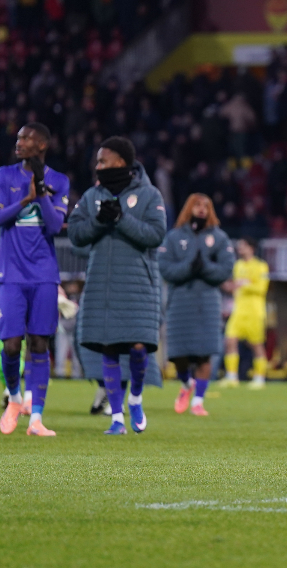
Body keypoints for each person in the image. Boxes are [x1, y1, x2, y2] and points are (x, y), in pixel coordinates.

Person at [68, 136, 166, 435]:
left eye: (103, 161)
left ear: (121, 162)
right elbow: (75, 235)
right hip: (103, 285)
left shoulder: (150, 195)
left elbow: (156, 235)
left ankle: (135, 398)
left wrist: (121, 218)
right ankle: (117, 418)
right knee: (108, 349)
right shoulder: (90, 196)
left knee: (138, 348)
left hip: (138, 286)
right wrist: (99, 221)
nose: (98, 166)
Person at [0, 123, 69, 437]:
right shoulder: (4, 175)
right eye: (19, 137)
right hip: (11, 273)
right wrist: (24, 201)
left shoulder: (59, 181)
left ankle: (36, 418)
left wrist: (40, 194)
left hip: (44, 274)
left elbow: (53, 226)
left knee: (39, 343)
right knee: (10, 345)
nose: (19, 142)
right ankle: (14, 398)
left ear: (43, 145)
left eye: (27, 138)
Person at [160, 193, 235, 416]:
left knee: (205, 353)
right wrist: (188, 268)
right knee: (178, 356)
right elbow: (165, 268)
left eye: (206, 206)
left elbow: (225, 270)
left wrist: (205, 268)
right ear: (188, 208)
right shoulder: (173, 237)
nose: (201, 209)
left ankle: (198, 402)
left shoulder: (219, 238)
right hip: (180, 302)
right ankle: (186, 385)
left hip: (207, 303)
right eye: (197, 205)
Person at [223, 238, 270, 389]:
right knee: (230, 341)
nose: (240, 249)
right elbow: (236, 287)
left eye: (243, 246)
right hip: (238, 310)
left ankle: (259, 378)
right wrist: (231, 287)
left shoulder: (261, 266)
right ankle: (231, 376)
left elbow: (261, 288)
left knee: (256, 344)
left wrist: (243, 284)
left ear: (251, 248)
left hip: (254, 311)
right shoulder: (238, 265)